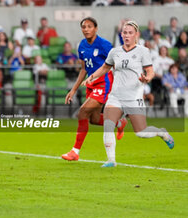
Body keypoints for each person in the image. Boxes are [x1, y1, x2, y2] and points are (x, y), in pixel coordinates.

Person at [83, 20, 174, 167]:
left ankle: (162, 133)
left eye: (130, 33)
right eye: (124, 32)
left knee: (141, 132)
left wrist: (147, 78)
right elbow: (105, 68)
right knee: (108, 125)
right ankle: (111, 160)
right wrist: (92, 77)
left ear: (136, 35)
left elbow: (150, 71)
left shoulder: (143, 51)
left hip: (133, 97)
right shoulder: (115, 52)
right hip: (115, 96)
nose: (126, 35)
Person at [62, 17, 127, 162]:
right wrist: (73, 90)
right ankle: (119, 123)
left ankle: (75, 152)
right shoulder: (82, 46)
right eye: (83, 27)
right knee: (94, 119)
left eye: (89, 26)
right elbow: (84, 69)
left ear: (96, 28)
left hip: (104, 84)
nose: (86, 29)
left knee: (82, 112)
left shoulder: (104, 45)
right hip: (90, 85)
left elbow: (117, 64)